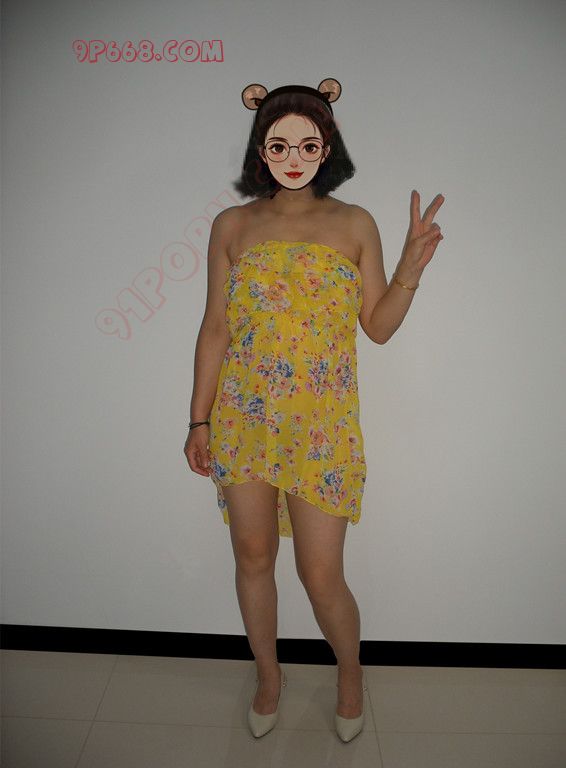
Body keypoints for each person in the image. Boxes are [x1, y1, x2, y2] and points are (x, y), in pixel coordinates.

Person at [184, 78, 445, 741]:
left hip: (322, 429)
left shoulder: (355, 223)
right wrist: (199, 419)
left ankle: (350, 674)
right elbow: (215, 327)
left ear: (326, 147)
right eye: (279, 144)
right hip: (243, 421)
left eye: (307, 143)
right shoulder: (232, 226)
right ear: (261, 149)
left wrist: (411, 268)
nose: (293, 156)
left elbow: (377, 327)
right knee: (252, 557)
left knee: (320, 572)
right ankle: (269, 676)